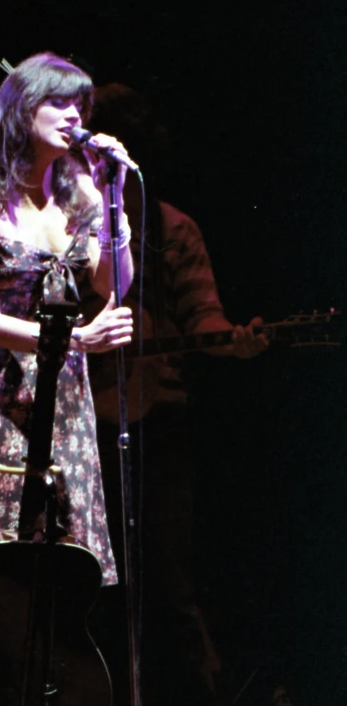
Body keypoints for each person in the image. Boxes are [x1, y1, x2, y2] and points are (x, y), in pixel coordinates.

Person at [83, 83, 268, 706]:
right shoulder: (60, 226)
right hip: (79, 431)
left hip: (157, 425)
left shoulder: (170, 226)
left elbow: (204, 320)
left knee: (171, 586)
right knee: (87, 589)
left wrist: (235, 341)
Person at [0, 54, 134, 594]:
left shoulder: (80, 194)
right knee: (3, 551)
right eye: (58, 102)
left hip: (64, 390)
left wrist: (113, 203)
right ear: (22, 111)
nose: (74, 115)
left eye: (80, 105)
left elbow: (112, 285)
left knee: (62, 552)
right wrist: (78, 339)